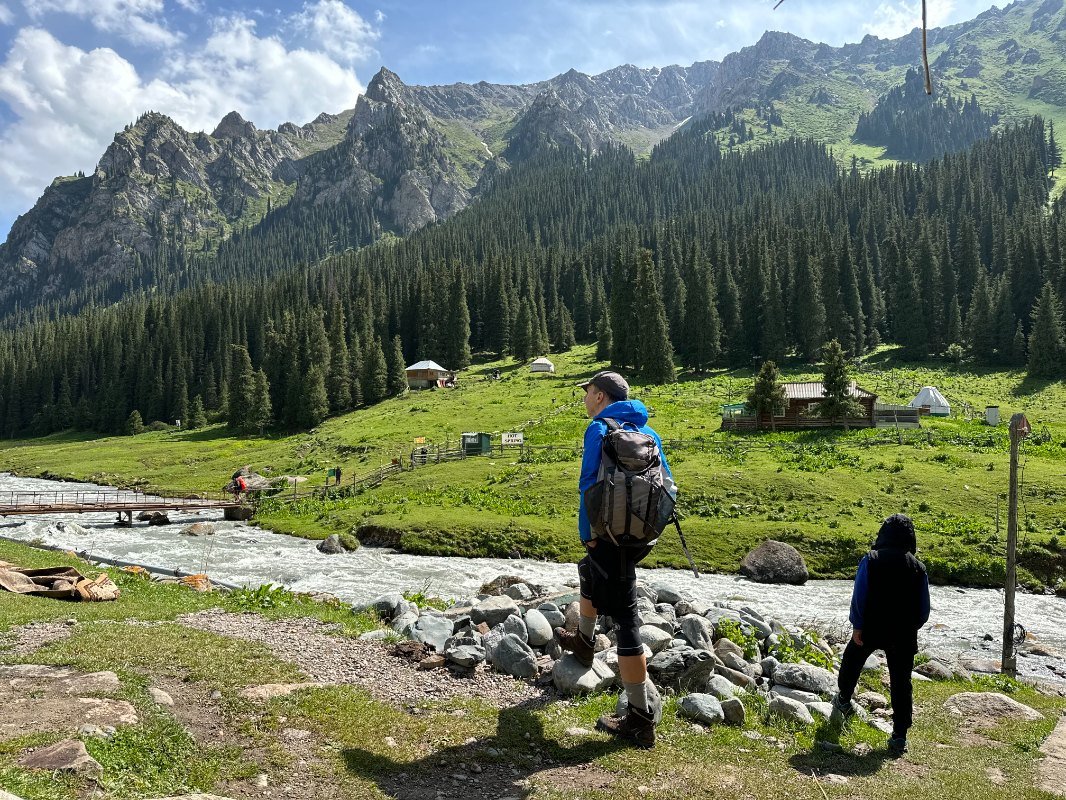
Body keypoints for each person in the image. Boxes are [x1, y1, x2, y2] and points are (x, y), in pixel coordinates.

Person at [554, 370, 672, 749]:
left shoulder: (599, 430)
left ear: (601, 396)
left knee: (626, 621)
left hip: (605, 536)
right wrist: (646, 534)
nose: (585, 398)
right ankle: (584, 643)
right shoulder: (648, 434)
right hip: (637, 538)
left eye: (588, 392)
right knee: (588, 572)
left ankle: (639, 717)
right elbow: (668, 485)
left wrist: (587, 534)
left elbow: (588, 484)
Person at [832, 513, 931, 755]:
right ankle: (899, 736)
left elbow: (860, 593)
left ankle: (844, 700)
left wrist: (858, 624)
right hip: (903, 633)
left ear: (883, 534)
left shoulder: (871, 559)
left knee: (852, 661)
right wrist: (911, 627)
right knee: (901, 682)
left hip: (870, 626)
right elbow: (923, 610)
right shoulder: (918, 568)